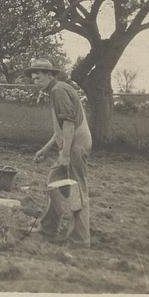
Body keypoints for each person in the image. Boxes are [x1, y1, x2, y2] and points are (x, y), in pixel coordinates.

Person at [26, 57, 93, 248]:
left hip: (76, 146)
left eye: (39, 73)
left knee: (77, 190)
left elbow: (70, 124)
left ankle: (79, 239)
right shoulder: (55, 91)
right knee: (54, 182)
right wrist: (45, 150)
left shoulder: (59, 90)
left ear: (50, 74)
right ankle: (48, 228)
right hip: (70, 145)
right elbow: (61, 130)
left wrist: (64, 155)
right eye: (33, 74)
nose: (35, 77)